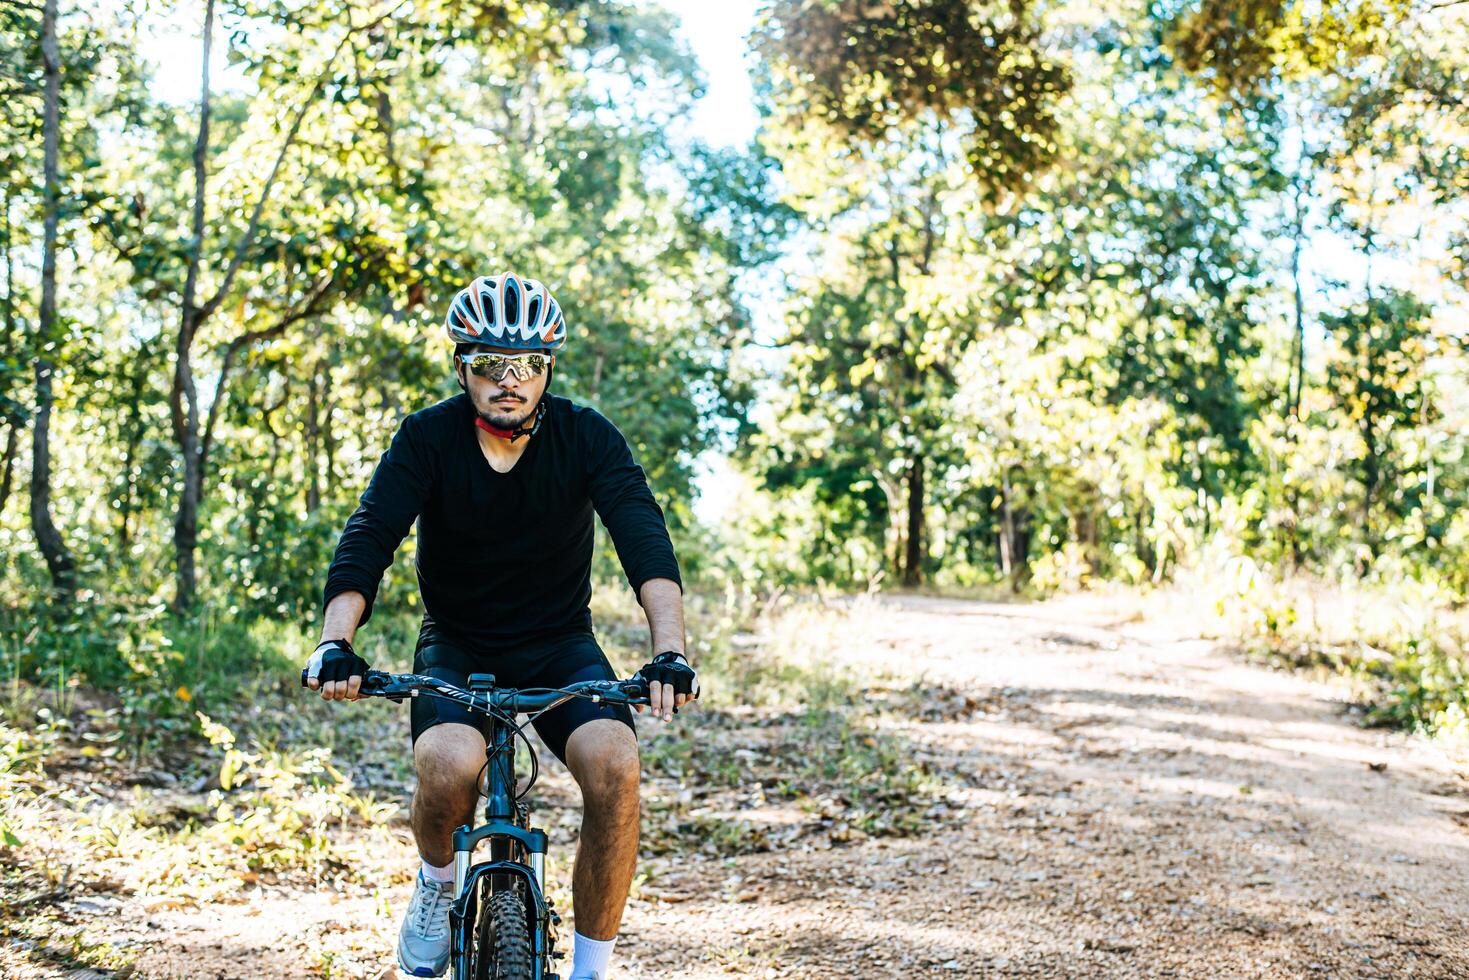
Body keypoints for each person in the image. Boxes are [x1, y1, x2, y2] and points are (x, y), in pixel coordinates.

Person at [302, 272, 698, 980]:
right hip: (456, 647)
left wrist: (668, 652)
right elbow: (370, 537)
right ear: (462, 367)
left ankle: (589, 969)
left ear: (549, 370)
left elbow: (644, 540)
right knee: (449, 766)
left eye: (528, 366)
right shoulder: (427, 437)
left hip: (559, 647)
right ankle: (435, 885)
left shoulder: (586, 437)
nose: (508, 380)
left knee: (616, 764)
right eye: (489, 363)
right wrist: (337, 642)